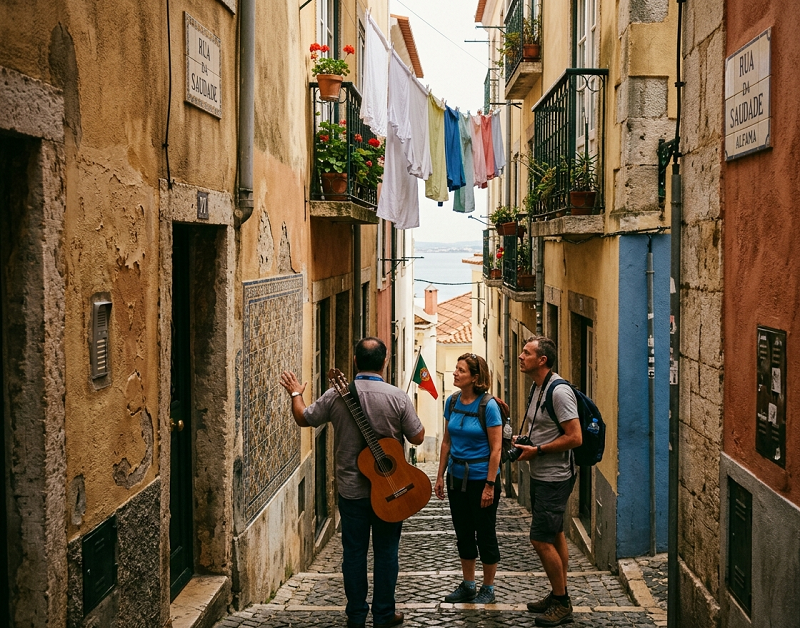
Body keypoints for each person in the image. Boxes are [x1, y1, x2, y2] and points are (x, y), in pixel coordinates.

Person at [280, 337, 425, 628]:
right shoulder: (397, 397)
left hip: (352, 492)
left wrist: (296, 393)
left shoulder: (334, 396)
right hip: (392, 492)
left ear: (356, 361)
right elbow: (418, 437)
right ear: (385, 362)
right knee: (387, 554)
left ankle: (356, 616)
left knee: (354, 554)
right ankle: (384, 614)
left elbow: (304, 418)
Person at [513, 336, 582, 627]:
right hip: (541, 474)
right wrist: (524, 441)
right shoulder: (537, 387)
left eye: (526, 353)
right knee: (555, 534)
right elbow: (543, 428)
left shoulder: (559, 392)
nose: (520, 356)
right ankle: (557, 593)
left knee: (540, 539)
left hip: (555, 476)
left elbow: (575, 437)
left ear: (542, 360)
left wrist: (538, 450)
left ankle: (562, 602)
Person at [434, 353, 502, 605]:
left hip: (482, 480)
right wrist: (440, 476)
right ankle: (468, 585)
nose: (455, 373)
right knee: (463, 532)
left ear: (475, 377)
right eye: (456, 368)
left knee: (485, 533)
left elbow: (496, 449)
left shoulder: (488, 406)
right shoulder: (452, 402)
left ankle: (488, 587)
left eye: (461, 370)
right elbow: (446, 441)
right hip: (456, 478)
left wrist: (490, 485)